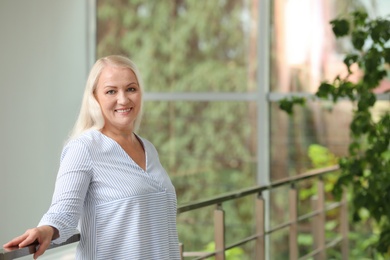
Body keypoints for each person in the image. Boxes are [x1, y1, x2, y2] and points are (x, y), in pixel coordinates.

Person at [3, 55, 181, 260]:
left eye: (131, 89)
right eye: (111, 91)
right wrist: (45, 229)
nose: (123, 99)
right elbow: (63, 212)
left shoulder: (148, 148)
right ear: (95, 97)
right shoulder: (83, 148)